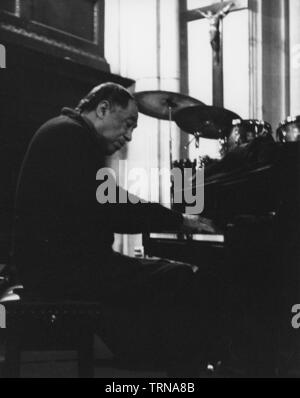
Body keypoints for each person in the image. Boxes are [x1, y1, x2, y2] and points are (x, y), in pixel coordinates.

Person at [12, 83, 225, 372]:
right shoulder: (70, 135)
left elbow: (104, 205)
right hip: (63, 271)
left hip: (55, 266)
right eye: (128, 124)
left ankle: (145, 362)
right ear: (102, 109)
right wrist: (180, 220)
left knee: (156, 278)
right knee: (179, 276)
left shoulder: (65, 131)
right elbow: (112, 207)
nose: (129, 136)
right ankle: (180, 374)